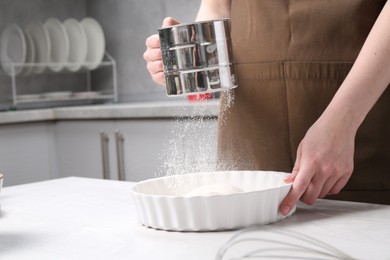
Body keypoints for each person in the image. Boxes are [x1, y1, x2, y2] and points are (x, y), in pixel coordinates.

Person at [144, 0, 390, 215]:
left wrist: (344, 122)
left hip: (360, 119)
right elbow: (216, 6)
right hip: (250, 126)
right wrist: (189, 58)